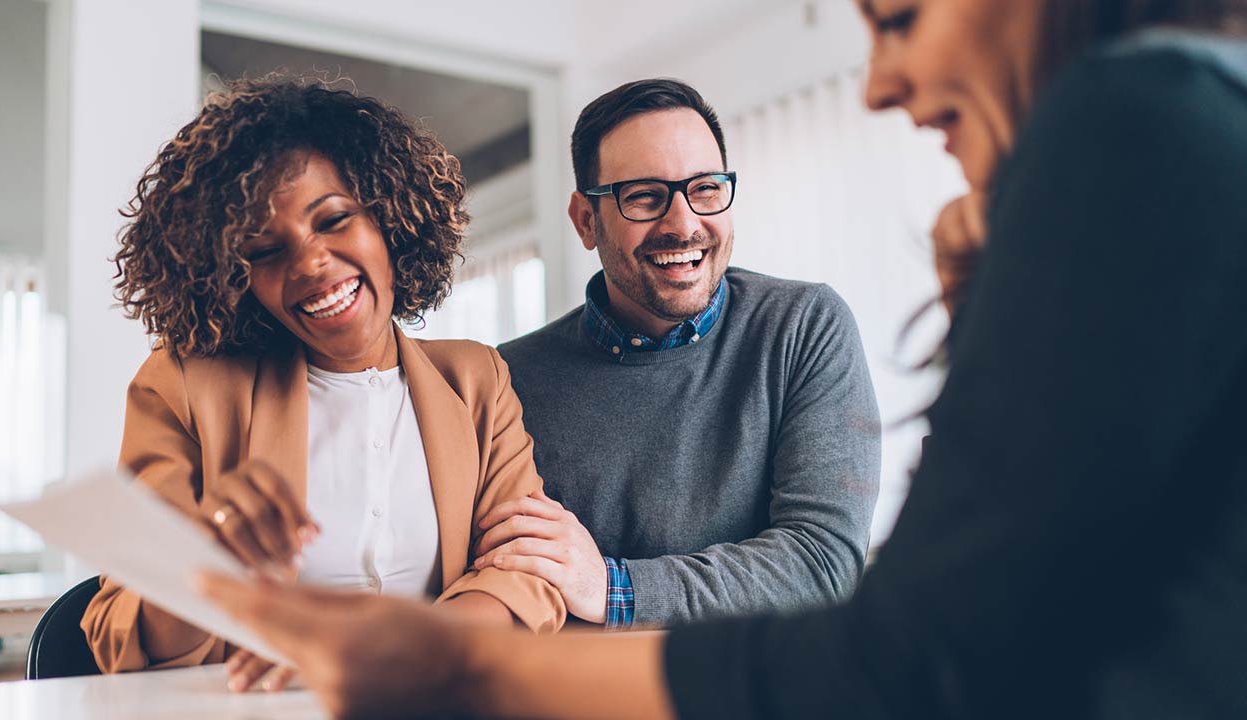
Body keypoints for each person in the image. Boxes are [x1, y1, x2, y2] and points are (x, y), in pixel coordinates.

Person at [200, 0, 1247, 717]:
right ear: (584, 218)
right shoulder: (497, 379)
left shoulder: (1134, 126)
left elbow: (887, 622)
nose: (878, 84)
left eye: (896, 17)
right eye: (644, 196)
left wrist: (511, 641)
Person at [81, 76, 566, 692]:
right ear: (236, 278)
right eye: (265, 251)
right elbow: (117, 635)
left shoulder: (475, 379)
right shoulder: (184, 384)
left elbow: (527, 575)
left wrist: (400, 647)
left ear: (391, 219)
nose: (309, 262)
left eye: (333, 219)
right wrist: (206, 565)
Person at [474, 78, 881, 628]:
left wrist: (614, 587)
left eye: (706, 188)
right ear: (586, 220)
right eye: (644, 195)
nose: (684, 223)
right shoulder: (508, 380)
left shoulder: (803, 327)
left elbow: (821, 563)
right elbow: (503, 574)